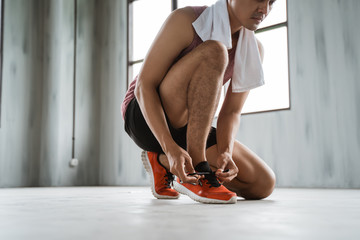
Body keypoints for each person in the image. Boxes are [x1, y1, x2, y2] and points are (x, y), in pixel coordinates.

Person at [122, 0, 276, 204]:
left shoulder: (252, 48)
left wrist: (225, 152)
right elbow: (144, 87)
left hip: (191, 128)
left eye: (272, 2)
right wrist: (169, 146)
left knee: (263, 183)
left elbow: (231, 112)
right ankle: (198, 169)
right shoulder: (186, 20)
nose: (264, 10)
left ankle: (162, 162)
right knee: (216, 51)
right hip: (144, 116)